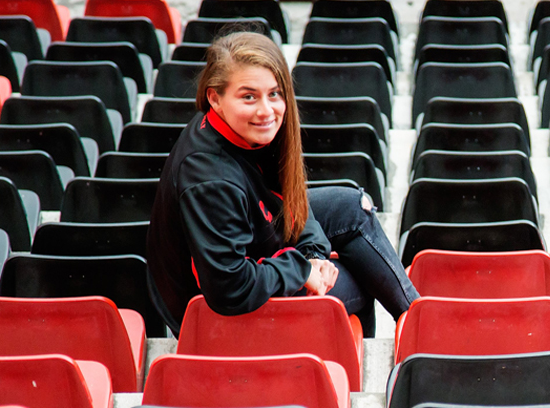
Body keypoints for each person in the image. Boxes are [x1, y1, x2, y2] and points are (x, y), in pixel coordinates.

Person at [146, 31, 418, 336]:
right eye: (248, 96)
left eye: (274, 94)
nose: (266, 110)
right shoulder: (208, 177)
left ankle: (418, 322)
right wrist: (300, 270)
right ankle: (345, 363)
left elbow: (290, 201)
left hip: (253, 245)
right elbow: (229, 287)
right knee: (360, 280)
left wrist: (312, 255)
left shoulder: (246, 129)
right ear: (215, 98)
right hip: (215, 314)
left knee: (353, 206)